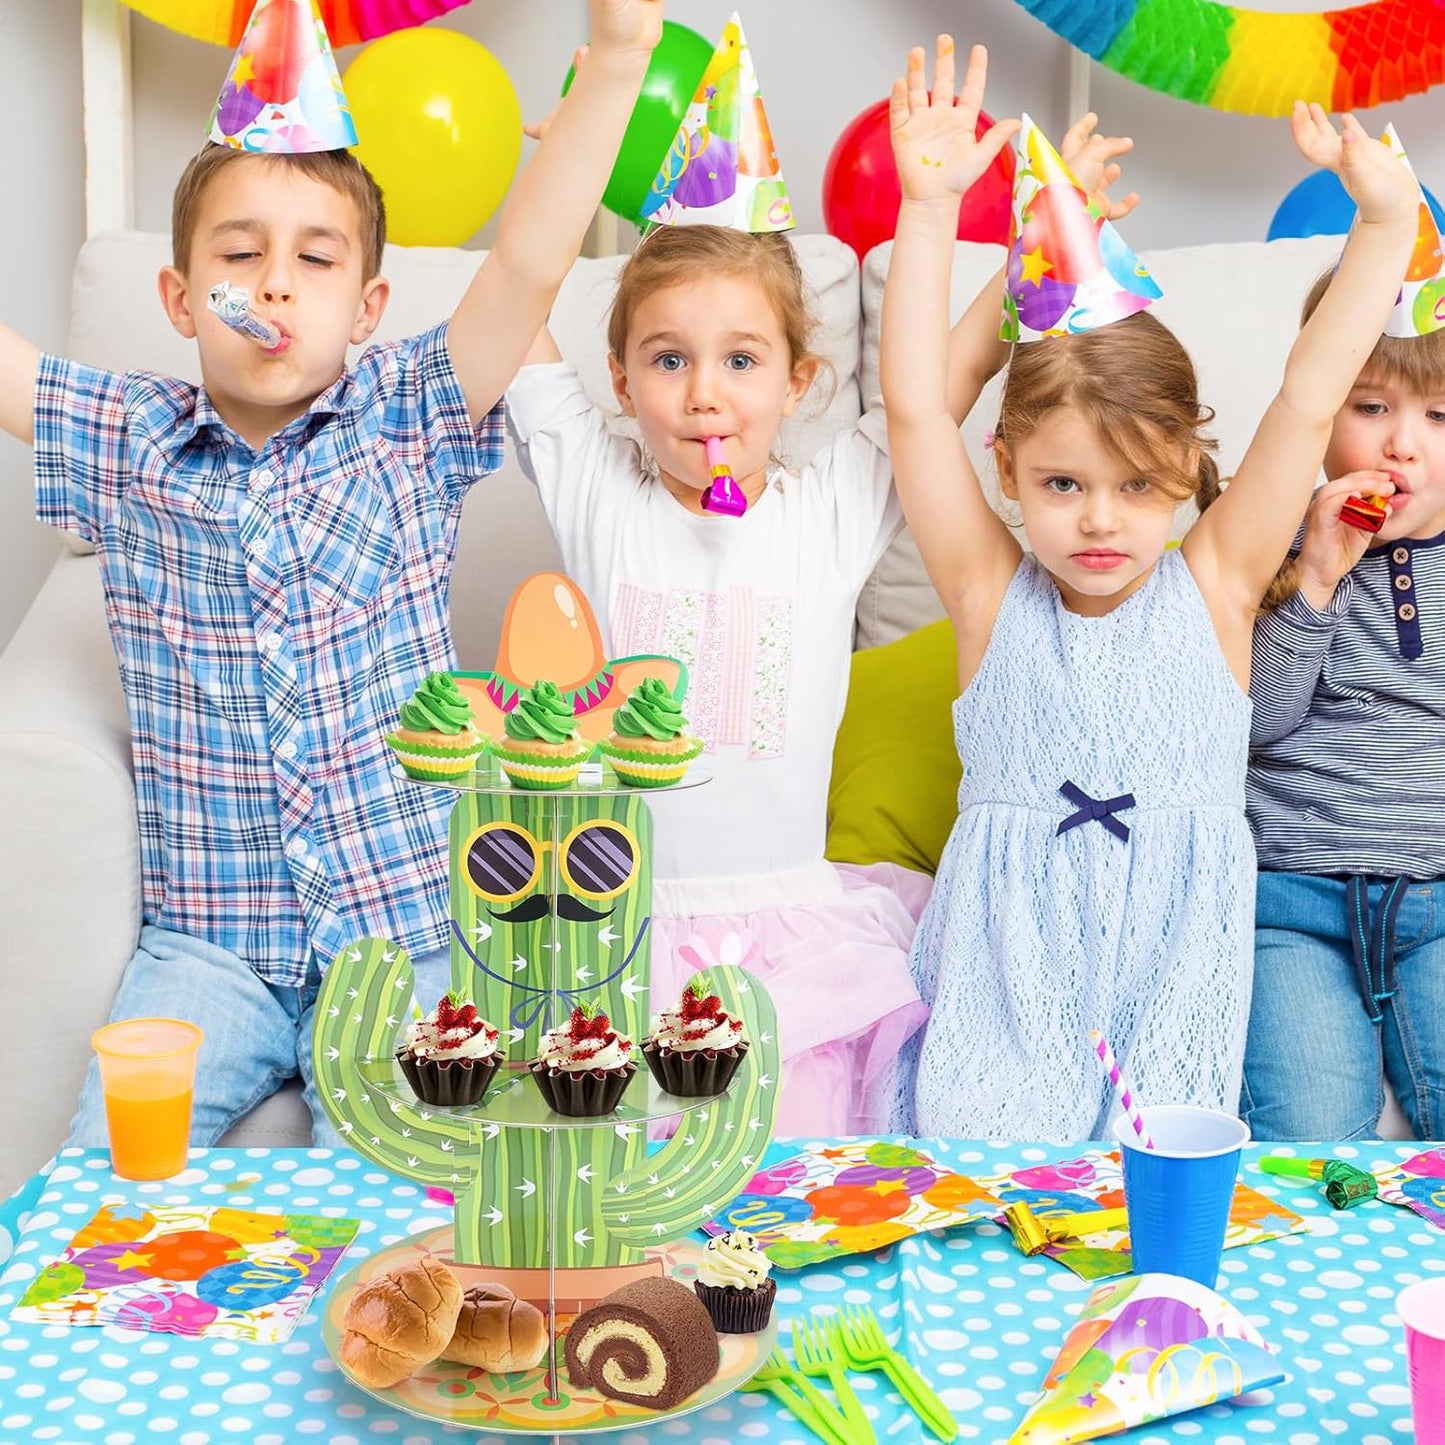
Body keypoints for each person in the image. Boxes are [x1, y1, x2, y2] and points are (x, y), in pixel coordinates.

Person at [0, 0, 664, 1149]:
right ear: (177, 298)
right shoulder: (125, 437)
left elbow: (528, 264)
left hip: (404, 934)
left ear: (365, 308)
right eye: (238, 255)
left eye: (312, 260)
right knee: (98, 1176)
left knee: (439, 1193)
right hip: (209, 951)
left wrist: (615, 63)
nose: (273, 286)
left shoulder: (407, 411)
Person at [879, 36, 1419, 1140]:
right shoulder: (990, 592)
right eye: (1061, 482)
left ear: (1184, 469)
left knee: (1166, 1179)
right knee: (984, 1168)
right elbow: (916, 410)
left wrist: (1381, 223)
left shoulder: (1216, 580)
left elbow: (1312, 397)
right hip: (1010, 963)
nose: (1094, 517)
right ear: (1007, 473)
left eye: (1134, 485)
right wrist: (932, 210)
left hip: (1174, 963)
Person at [1242, 257, 1445, 1142]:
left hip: (1437, 908)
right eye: (1371, 407)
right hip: (1289, 906)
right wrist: (1318, 576)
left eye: (1439, 415)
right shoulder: (1270, 537)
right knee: (1312, 1131)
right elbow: (1256, 720)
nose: (1401, 444)